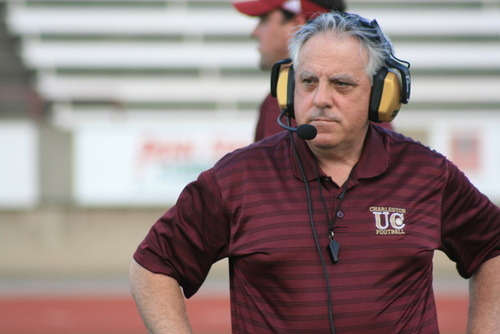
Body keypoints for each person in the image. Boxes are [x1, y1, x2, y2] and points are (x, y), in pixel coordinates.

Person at [129, 12, 500, 334]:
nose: (320, 99)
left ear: (381, 95)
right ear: (289, 90)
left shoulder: (426, 173)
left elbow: (491, 247)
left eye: (341, 84)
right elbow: (153, 267)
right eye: (308, 82)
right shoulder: (237, 178)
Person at [233, 0, 350, 141]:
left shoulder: (287, 99)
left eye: (264, 19)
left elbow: (280, 162)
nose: (255, 32)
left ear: (297, 26)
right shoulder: (366, 92)